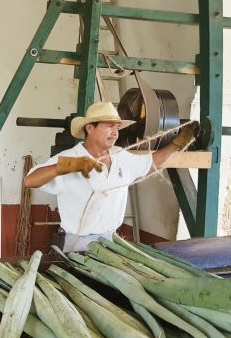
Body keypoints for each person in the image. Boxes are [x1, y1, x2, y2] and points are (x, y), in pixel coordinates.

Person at [23, 101, 198, 253]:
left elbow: (152, 161)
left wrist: (177, 143)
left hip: (112, 241)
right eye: (109, 126)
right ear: (90, 128)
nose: (115, 133)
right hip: (79, 245)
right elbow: (30, 181)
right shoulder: (71, 156)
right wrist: (68, 165)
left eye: (117, 127)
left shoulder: (121, 156)